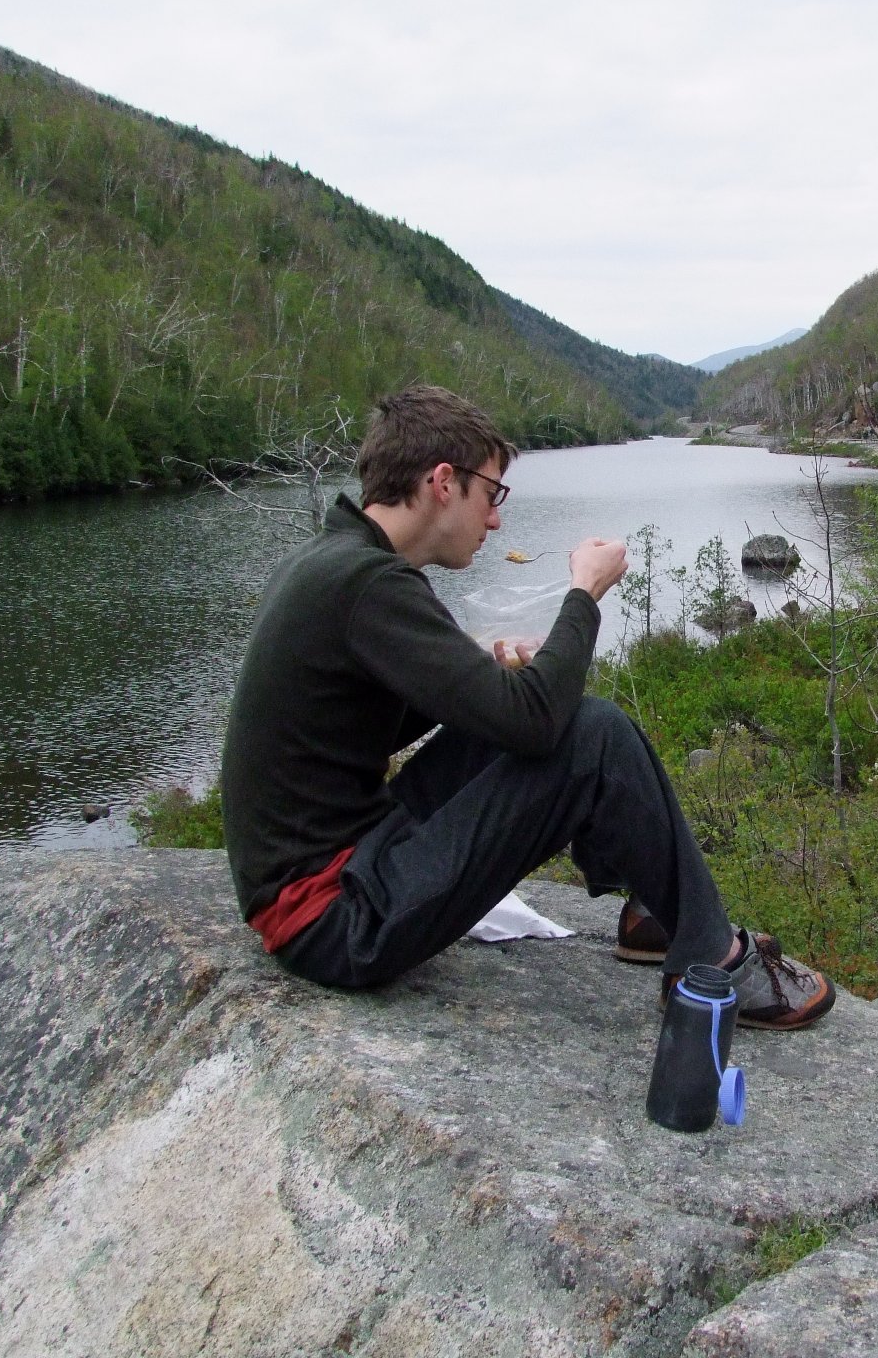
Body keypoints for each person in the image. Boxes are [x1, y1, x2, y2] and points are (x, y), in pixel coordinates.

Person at [219, 383, 834, 1030]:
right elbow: (535, 721)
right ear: (443, 483)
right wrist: (584, 594)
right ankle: (715, 961)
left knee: (546, 719)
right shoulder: (367, 583)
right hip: (333, 916)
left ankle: (659, 911)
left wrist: (480, 674)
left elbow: (361, 726)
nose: (495, 520)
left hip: (345, 869)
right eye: (493, 494)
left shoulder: (335, 561)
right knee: (589, 732)